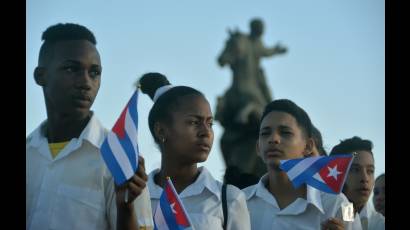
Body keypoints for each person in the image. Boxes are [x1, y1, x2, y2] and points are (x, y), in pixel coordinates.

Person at [26, 23, 152, 230]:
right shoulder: (28, 152)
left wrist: (126, 208)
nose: (86, 82)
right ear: (41, 76)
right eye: (71, 69)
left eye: (95, 72)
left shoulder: (118, 160)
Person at [138, 72, 251, 230]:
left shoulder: (228, 198)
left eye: (209, 123)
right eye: (193, 122)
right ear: (161, 131)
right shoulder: (137, 197)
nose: (205, 132)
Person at [243, 99, 362, 230]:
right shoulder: (239, 201)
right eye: (265, 133)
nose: (273, 139)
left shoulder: (341, 204)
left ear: (308, 146)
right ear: (258, 147)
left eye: (285, 133)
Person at [330, 136, 385, 230]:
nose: (365, 178)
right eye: (355, 170)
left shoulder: (380, 224)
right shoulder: (319, 215)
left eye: (370, 171)